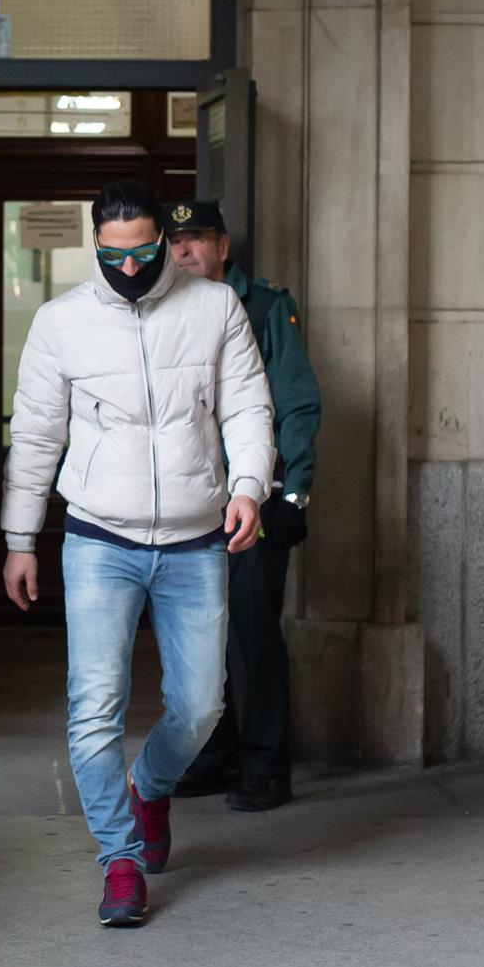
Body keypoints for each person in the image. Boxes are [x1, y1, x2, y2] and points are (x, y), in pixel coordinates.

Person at [0, 179, 274, 929]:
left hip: (194, 538)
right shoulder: (61, 324)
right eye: (112, 254)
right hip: (97, 538)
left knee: (201, 705)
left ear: (165, 242)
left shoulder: (214, 307)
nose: (128, 267)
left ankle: (149, 786)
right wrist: (20, 537)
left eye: (144, 252)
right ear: (96, 245)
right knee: (94, 710)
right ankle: (119, 860)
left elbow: (248, 404)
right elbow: (36, 438)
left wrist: (248, 484)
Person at [164, 200, 322, 811]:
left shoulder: (264, 308)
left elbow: (297, 403)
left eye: (197, 239)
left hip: (253, 503)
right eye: (176, 241)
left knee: (254, 636)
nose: (185, 251)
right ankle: (215, 754)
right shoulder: (166, 309)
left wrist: (294, 492)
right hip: (191, 504)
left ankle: (265, 763)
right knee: (203, 637)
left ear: (223, 247)